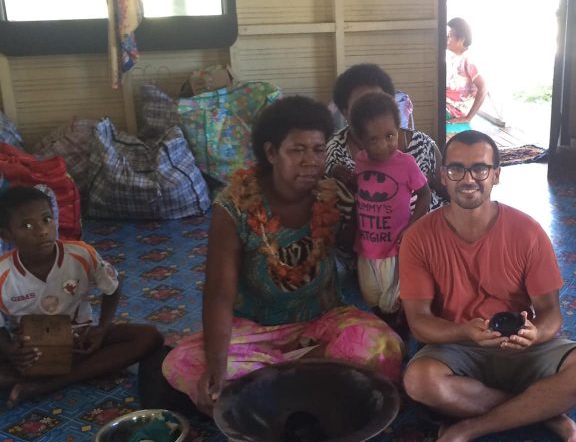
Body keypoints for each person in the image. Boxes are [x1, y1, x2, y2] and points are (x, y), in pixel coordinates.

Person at [160, 95, 404, 415]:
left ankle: (268, 392)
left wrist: (357, 207)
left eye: (318, 150)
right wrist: (218, 369)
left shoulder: (333, 196)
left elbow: (361, 250)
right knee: (181, 362)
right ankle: (314, 385)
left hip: (322, 320)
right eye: (297, 150)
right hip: (255, 330)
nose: (310, 161)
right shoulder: (233, 207)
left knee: (383, 346)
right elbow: (219, 294)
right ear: (272, 152)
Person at [399, 130, 576, 442]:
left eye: (480, 169)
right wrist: (464, 332)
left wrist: (535, 335)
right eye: (457, 169)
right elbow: (419, 321)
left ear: (496, 174)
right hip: (458, 347)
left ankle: (467, 429)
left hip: (520, 346)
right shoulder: (419, 237)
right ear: (442, 176)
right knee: (419, 381)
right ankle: (543, 413)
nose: (468, 179)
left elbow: (551, 312)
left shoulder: (527, 231)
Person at [0, 186, 162, 407]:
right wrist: (10, 351)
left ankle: (47, 384)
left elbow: (113, 286)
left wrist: (102, 328)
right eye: (27, 225)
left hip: (81, 340)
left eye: (46, 219)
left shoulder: (81, 254)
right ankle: (65, 374)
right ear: (6, 235)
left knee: (150, 336)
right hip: (32, 349)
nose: (42, 230)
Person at [349, 90, 431, 319]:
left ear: (398, 130)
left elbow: (425, 194)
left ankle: (403, 342)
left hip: (395, 249)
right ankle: (384, 340)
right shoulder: (361, 161)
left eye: (390, 135)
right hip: (366, 248)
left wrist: (411, 228)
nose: (384, 145)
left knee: (398, 302)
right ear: (360, 140)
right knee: (373, 299)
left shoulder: (406, 163)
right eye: (373, 139)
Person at [325, 63, 446, 209]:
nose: (372, 112)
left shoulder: (423, 146)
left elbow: (447, 193)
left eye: (378, 101)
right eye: (361, 106)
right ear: (345, 112)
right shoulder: (333, 152)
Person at [445, 17, 488, 137]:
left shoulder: (469, 59)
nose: (446, 39)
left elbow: (483, 88)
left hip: (454, 113)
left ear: (461, 39)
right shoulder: (453, 57)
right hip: (446, 108)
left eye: (450, 35)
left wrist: (468, 117)